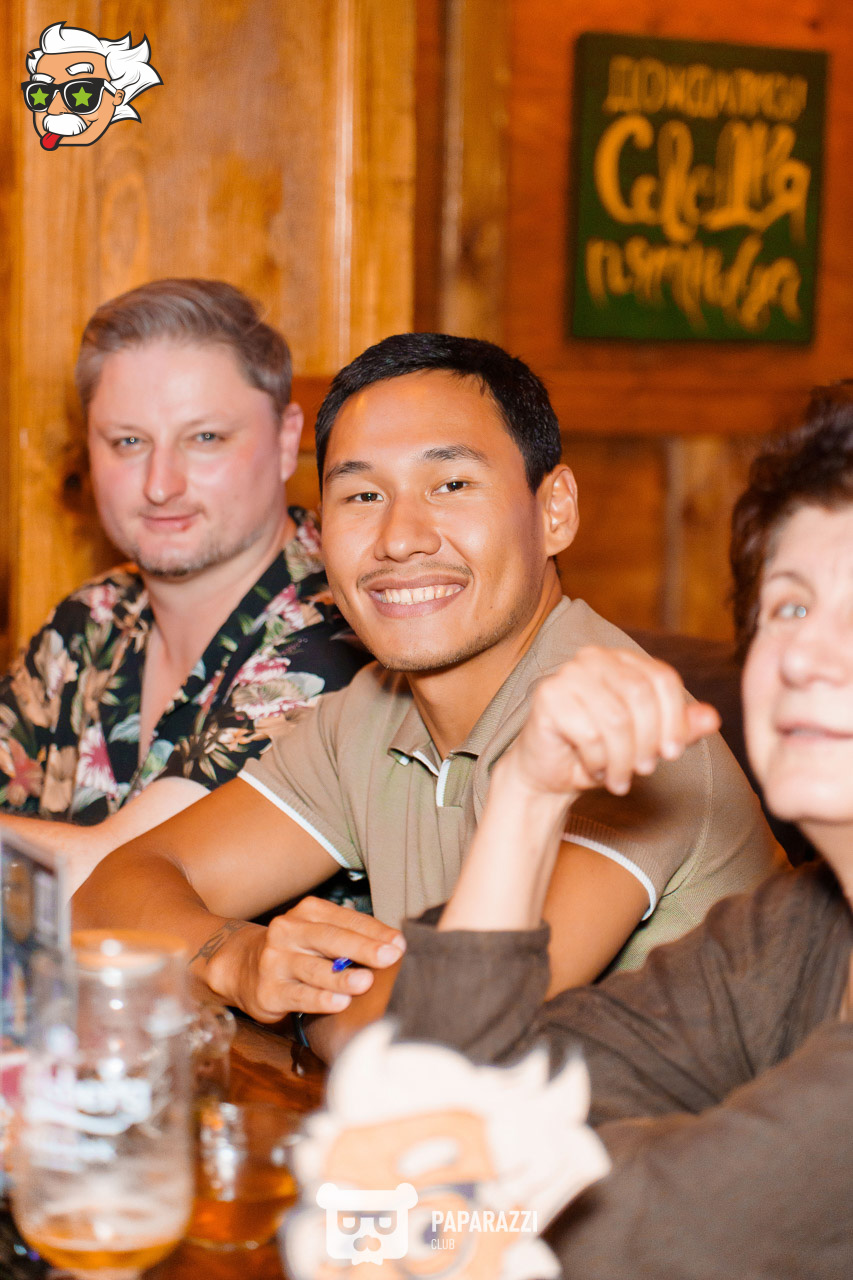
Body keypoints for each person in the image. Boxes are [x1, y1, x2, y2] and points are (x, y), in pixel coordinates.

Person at [73, 332, 778, 1059]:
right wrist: (236, 958)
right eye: (362, 495)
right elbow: (106, 897)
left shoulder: (626, 729)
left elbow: (448, 1033)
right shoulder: (371, 711)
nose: (400, 538)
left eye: (451, 485)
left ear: (554, 510)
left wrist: (303, 1006)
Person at [380, 390, 853, 1276]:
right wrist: (525, 796)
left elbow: (458, 1221)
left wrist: (437, 1190)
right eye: (789, 607)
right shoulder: (796, 929)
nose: (804, 656)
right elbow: (424, 1121)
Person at [0, 279, 367, 892]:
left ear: (285, 441)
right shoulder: (90, 619)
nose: (160, 484)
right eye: (128, 442)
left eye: (204, 438)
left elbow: (114, 876)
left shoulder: (342, 633)